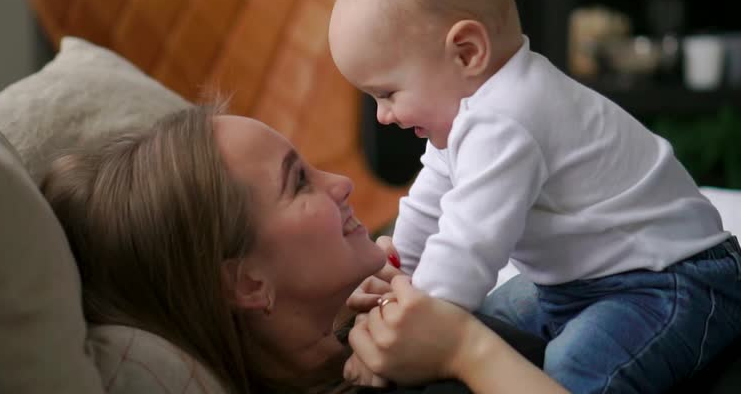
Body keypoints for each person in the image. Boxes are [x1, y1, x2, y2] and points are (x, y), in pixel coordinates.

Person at [329, 0, 741, 392]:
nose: (383, 115)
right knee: (489, 325)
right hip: (579, 287)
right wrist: (398, 269)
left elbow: (467, 246)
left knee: (573, 371)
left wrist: (402, 336)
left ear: (466, 52)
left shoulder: (507, 117)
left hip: (674, 283)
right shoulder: (473, 111)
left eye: (387, 92)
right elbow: (432, 198)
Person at [40, 104, 566, 394]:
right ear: (246, 283)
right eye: (299, 184)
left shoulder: (366, 335)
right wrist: (463, 349)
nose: (339, 182)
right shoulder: (420, 372)